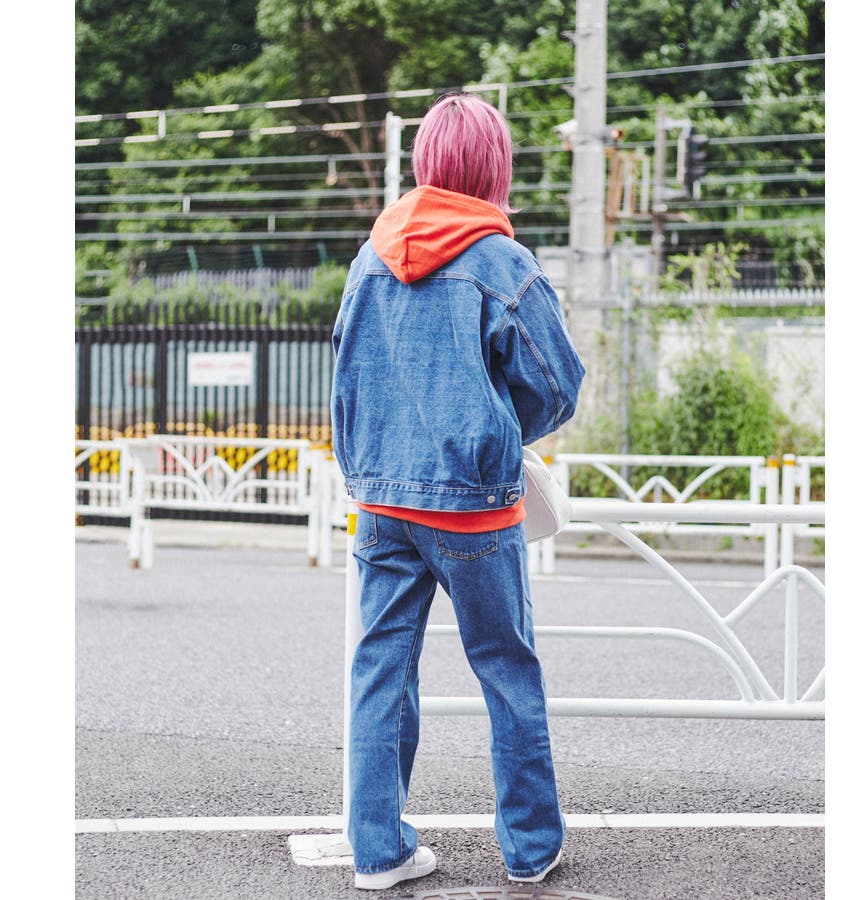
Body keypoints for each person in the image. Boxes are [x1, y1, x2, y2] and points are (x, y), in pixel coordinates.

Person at [330, 92, 585, 892]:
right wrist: (499, 429)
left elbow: (345, 379)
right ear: (494, 167)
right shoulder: (501, 262)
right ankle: (530, 849)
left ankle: (378, 852)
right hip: (475, 506)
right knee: (506, 668)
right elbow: (558, 385)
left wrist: (371, 464)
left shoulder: (371, 257)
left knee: (380, 669)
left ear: (425, 162)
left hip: (382, 506)